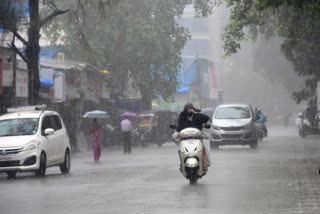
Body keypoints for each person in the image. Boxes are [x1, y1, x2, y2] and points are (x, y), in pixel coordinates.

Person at [176, 103, 211, 171]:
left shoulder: (197, 115)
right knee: (180, 150)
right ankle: (182, 164)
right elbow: (178, 127)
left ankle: (205, 164)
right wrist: (178, 132)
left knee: (202, 149)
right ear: (185, 110)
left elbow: (206, 118)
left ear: (193, 109)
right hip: (185, 139)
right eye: (187, 110)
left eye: (190, 109)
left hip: (197, 138)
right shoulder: (182, 116)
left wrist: (196, 113)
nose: (189, 111)